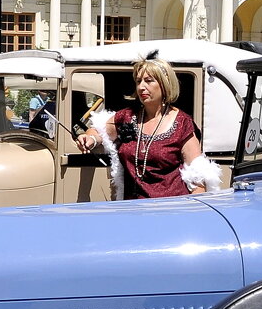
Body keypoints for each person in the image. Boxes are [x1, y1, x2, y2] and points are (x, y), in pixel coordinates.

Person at [77, 51, 218, 198]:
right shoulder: (127, 116)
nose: (141, 87)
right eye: (138, 81)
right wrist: (90, 139)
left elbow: (198, 176)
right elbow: (99, 131)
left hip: (171, 209)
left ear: (164, 84)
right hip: (134, 208)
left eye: (149, 81)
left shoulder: (183, 122)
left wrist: (194, 211)